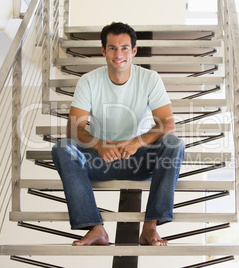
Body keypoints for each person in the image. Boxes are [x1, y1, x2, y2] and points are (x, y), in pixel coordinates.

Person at [51, 22, 185, 247]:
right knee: (62, 148)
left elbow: (167, 123)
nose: (118, 54)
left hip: (141, 158)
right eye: (112, 48)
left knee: (174, 143)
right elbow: (74, 128)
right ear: (103, 51)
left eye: (124, 48)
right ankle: (96, 229)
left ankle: (150, 227)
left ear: (134, 51)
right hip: (101, 158)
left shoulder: (149, 79)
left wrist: (136, 143)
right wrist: (99, 145)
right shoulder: (89, 81)